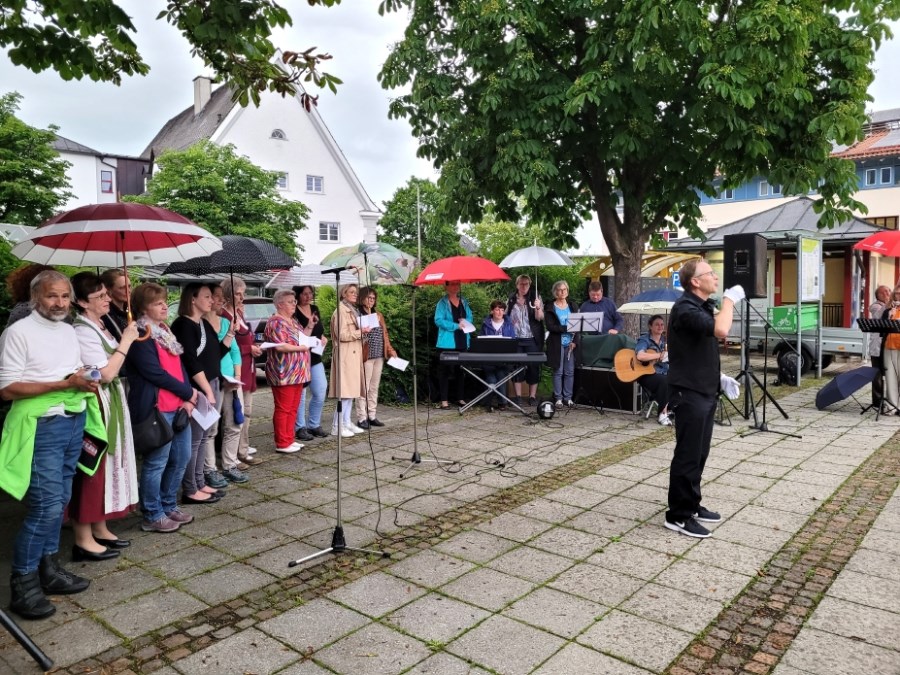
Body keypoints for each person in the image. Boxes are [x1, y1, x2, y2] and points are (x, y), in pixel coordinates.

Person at [0, 271, 102, 619]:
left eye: (63, 296)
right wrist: (65, 383)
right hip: (40, 425)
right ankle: (23, 584)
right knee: (45, 506)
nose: (58, 303)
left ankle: (49, 569)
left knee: (61, 499)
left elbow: (71, 371)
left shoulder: (68, 330)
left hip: (73, 419)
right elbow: (8, 388)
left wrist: (84, 377)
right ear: (35, 297)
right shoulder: (18, 332)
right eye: (51, 296)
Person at [665, 260, 742, 539]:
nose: (715, 276)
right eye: (709, 273)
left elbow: (699, 351)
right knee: (687, 454)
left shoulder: (702, 308)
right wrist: (729, 300)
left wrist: (718, 377)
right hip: (689, 392)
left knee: (700, 452)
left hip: (705, 388)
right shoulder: (685, 308)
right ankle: (678, 516)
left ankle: (692, 503)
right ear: (695, 282)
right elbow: (721, 330)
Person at [69, 272, 140, 562]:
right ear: (83, 302)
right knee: (92, 467)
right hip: (98, 404)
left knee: (110, 465)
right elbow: (106, 373)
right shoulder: (82, 330)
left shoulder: (99, 323)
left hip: (113, 401)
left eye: (105, 294)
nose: (107, 298)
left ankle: (100, 525)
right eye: (100, 296)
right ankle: (82, 538)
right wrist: (126, 340)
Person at [126, 283, 197, 533]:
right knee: (157, 462)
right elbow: (153, 372)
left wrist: (189, 397)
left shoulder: (164, 330)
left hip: (178, 406)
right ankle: (152, 513)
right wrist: (187, 391)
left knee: (181, 458)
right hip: (157, 408)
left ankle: (168, 505)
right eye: (158, 303)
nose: (165, 306)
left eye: (165, 301)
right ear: (143, 307)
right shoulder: (140, 334)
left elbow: (180, 366)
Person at [171, 283, 224, 505]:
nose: (211, 300)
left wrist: (230, 334)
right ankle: (190, 488)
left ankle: (200, 482)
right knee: (194, 439)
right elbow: (191, 361)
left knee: (203, 437)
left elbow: (217, 353)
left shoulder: (203, 323)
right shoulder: (183, 326)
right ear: (192, 299)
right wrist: (207, 390)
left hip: (212, 382)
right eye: (207, 296)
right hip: (198, 387)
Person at [200, 283, 247, 486]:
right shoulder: (200, 325)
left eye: (220, 297)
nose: (219, 301)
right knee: (210, 427)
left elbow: (235, 351)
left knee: (235, 422)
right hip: (212, 380)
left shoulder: (226, 323)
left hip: (231, 381)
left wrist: (236, 378)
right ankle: (210, 468)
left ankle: (230, 464)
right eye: (215, 297)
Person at [221, 277, 263, 466]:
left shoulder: (238, 313)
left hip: (248, 367)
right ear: (228, 294)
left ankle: (243, 450)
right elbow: (229, 345)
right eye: (238, 293)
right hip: (236, 369)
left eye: (243, 293)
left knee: (247, 412)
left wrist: (253, 345)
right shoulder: (224, 315)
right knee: (236, 413)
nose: (241, 297)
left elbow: (247, 337)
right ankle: (233, 455)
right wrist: (249, 349)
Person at [265, 289, 312, 452]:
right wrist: (301, 347)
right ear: (279, 304)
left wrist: (310, 328)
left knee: (293, 407)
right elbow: (280, 346)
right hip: (283, 372)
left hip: (297, 372)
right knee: (283, 407)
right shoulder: (275, 322)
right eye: (291, 301)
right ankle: (282, 442)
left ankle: (289, 438)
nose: (294, 304)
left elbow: (303, 338)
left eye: (294, 301)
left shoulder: (293, 321)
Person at [356, 286, 397, 429]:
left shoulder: (378, 315)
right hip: (366, 355)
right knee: (364, 387)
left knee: (374, 387)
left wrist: (390, 350)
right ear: (362, 298)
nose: (372, 300)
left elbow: (384, 335)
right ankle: (362, 417)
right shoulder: (357, 314)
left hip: (379, 355)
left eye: (373, 298)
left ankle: (372, 415)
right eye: (369, 298)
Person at [328, 284, 367, 435]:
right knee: (345, 392)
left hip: (353, 355)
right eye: (351, 292)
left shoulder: (352, 310)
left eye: (356, 292)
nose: (355, 295)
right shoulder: (341, 311)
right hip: (345, 355)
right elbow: (342, 335)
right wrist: (360, 332)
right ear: (343, 294)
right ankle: (336, 426)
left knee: (351, 391)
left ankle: (346, 422)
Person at [292, 285, 330, 441]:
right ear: (298, 295)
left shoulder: (315, 309)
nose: (308, 296)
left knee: (321, 390)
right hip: (301, 357)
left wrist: (323, 338)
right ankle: (299, 427)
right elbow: (296, 335)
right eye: (304, 294)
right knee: (301, 393)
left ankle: (314, 424)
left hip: (315, 356)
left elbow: (319, 329)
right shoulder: (294, 311)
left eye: (310, 293)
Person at [505, 275, 544, 406]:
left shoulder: (535, 298)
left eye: (526, 284)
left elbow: (540, 318)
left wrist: (538, 308)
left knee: (534, 366)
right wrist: (510, 322)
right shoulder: (511, 299)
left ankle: (532, 397)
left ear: (530, 284)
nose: (524, 286)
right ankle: (518, 397)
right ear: (517, 285)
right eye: (521, 284)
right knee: (517, 367)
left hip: (532, 338)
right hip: (516, 338)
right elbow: (505, 316)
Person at [434, 280, 473, 409]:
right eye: (453, 284)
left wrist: (465, 322)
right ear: (446, 286)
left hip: (462, 340)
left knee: (461, 371)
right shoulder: (442, 303)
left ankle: (460, 398)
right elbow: (438, 320)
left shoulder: (464, 301)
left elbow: (470, 317)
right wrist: (456, 325)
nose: (456, 286)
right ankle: (444, 400)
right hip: (447, 342)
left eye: (458, 284)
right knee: (444, 372)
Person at [545, 280, 578, 408]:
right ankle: (558, 398)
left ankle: (568, 398)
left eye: (564, 289)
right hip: (556, 343)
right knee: (558, 371)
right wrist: (567, 328)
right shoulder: (550, 307)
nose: (562, 292)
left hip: (570, 343)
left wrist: (575, 342)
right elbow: (551, 326)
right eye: (559, 290)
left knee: (569, 371)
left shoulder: (573, 306)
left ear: (567, 291)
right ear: (555, 292)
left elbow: (578, 326)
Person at [634, 314, 672, 426]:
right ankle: (662, 413)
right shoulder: (644, 339)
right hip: (646, 374)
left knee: (681, 378)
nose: (660, 327)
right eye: (657, 324)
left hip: (664, 372)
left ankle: (672, 409)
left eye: (662, 324)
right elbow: (640, 356)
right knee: (664, 381)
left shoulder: (666, 341)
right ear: (650, 326)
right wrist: (658, 355)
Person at [480, 300, 516, 411]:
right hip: (488, 359)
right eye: (497, 309)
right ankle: (489, 403)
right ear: (492, 311)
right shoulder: (485, 325)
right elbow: (481, 342)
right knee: (491, 378)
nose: (500, 312)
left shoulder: (509, 325)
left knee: (501, 375)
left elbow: (513, 342)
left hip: (503, 359)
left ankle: (502, 403)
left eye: (502, 309)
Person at [868, 284, 891, 408]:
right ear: (880, 295)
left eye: (889, 291)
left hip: (890, 346)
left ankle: (891, 399)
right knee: (877, 374)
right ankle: (877, 401)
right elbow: (878, 316)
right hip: (878, 347)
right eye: (886, 292)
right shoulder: (875, 306)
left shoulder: (893, 306)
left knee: (891, 374)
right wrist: (889, 304)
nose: (889, 293)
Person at [880, 283, 900, 413]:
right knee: (890, 377)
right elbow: (881, 330)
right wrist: (888, 316)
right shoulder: (888, 310)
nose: (898, 296)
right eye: (897, 293)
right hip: (888, 347)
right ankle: (892, 407)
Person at [99, 268, 130, 340]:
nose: (128, 291)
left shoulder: (133, 309)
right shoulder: (106, 315)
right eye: (122, 288)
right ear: (109, 290)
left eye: (129, 286)